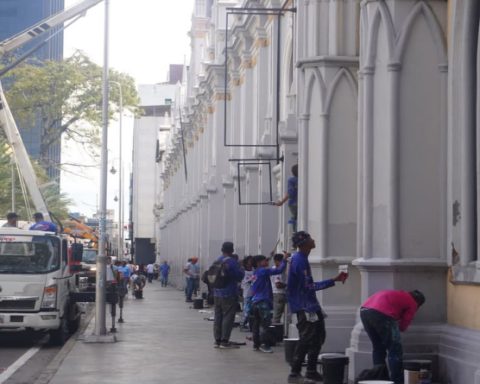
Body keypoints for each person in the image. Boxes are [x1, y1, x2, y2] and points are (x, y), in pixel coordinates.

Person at [287, 231, 348, 384]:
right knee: (306, 339)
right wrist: (333, 280)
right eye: (310, 239)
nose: (313, 240)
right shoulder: (300, 261)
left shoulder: (300, 259)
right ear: (304, 243)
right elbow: (309, 286)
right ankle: (294, 373)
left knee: (318, 338)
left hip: (310, 306)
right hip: (305, 307)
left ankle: (311, 371)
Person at [360, 289, 426, 384]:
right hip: (382, 314)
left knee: (378, 347)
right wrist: (396, 329)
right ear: (419, 303)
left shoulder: (400, 294)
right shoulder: (412, 302)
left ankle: (380, 378)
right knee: (395, 349)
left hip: (364, 311)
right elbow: (404, 324)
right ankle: (397, 380)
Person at [250, 253, 287, 353]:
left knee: (256, 324)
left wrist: (268, 257)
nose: (267, 262)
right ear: (259, 263)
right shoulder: (262, 271)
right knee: (265, 324)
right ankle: (264, 344)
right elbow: (278, 270)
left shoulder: (255, 272)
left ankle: (256, 344)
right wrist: (285, 260)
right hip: (262, 302)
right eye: (265, 261)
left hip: (255, 301)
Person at [213, 241, 244, 349]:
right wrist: (240, 267)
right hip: (229, 293)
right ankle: (224, 341)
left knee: (218, 316)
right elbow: (239, 276)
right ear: (232, 250)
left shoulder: (217, 260)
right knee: (228, 317)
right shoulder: (231, 262)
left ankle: (217, 340)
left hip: (217, 293)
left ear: (222, 249)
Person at [275, 164, 298, 232]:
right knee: (296, 218)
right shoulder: (302, 179)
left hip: (293, 203)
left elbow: (290, 193)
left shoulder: (291, 180)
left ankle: (295, 233)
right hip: (300, 203)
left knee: (294, 218)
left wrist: (281, 202)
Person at [271, 253, 288, 324]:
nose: (284, 264)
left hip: (278, 293)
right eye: (282, 261)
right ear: (276, 261)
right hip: (279, 293)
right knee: (277, 315)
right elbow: (278, 284)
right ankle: (273, 332)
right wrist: (287, 285)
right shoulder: (277, 270)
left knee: (278, 313)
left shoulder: (274, 269)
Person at [240, 255, 254, 330]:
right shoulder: (243, 272)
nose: (251, 262)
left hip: (254, 293)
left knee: (252, 310)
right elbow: (246, 281)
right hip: (247, 293)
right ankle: (243, 323)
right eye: (249, 261)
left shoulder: (254, 270)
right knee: (247, 310)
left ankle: (249, 324)